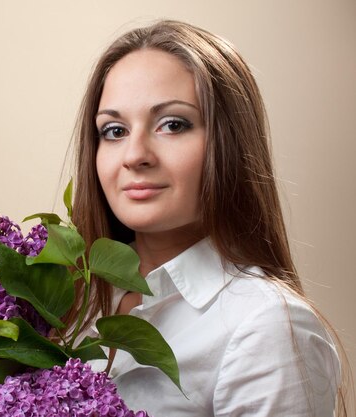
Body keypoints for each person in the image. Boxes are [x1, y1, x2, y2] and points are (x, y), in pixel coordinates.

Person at [66, 20, 350, 416]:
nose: (135, 155)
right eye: (114, 130)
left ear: (228, 142)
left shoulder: (263, 327)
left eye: (173, 125)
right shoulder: (70, 301)